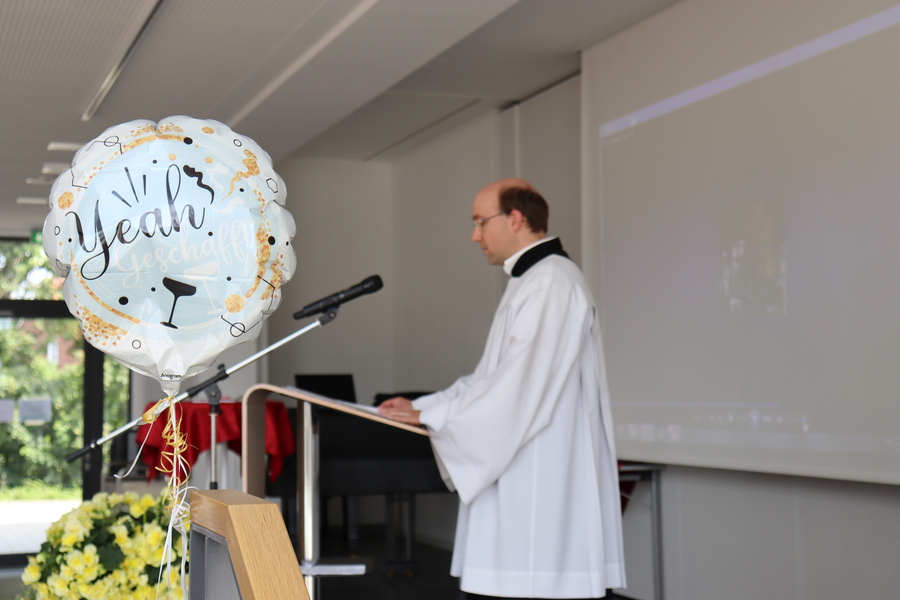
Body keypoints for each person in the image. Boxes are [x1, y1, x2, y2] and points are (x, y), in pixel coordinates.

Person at [378, 178, 626, 599]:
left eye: (480, 222)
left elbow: (517, 388)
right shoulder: (532, 280)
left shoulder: (551, 283)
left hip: (540, 475)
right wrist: (426, 405)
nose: (475, 236)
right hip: (524, 468)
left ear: (515, 219)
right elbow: (490, 378)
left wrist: (432, 416)